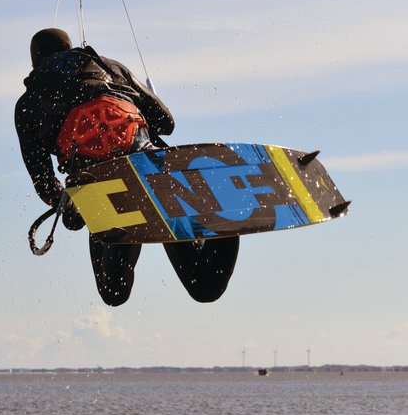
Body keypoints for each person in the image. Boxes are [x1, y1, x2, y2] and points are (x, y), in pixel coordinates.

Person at [15, 28, 240, 306]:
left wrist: (71, 207)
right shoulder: (111, 66)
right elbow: (167, 123)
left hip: (105, 188)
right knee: (205, 286)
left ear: (35, 62)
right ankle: (226, 223)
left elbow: (44, 182)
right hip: (151, 170)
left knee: (114, 292)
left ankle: (205, 220)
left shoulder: (29, 101)